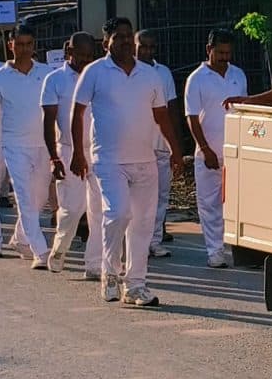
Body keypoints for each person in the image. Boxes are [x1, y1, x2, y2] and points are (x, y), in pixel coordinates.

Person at [72, 24, 181, 307]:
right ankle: (110, 273)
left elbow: (162, 115)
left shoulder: (150, 75)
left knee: (143, 224)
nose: (124, 42)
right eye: (117, 37)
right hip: (108, 161)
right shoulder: (95, 71)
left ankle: (135, 285)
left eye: (127, 37)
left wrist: (175, 149)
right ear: (105, 42)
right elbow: (77, 112)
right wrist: (77, 154)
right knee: (118, 213)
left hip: (145, 160)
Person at [0, 29, 52, 262]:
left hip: (44, 145)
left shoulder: (47, 73)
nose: (24, 49)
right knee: (24, 197)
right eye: (19, 44)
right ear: (11, 46)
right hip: (15, 147)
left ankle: (21, 238)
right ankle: (40, 251)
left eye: (28, 44)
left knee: (39, 198)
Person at [183, 29, 249, 268]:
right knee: (209, 205)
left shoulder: (238, 74)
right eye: (220, 52)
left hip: (236, 152)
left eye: (228, 53)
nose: (224, 57)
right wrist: (205, 149)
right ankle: (215, 252)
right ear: (208, 50)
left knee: (238, 203)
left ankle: (241, 250)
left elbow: (244, 110)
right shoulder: (196, 79)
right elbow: (191, 117)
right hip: (208, 154)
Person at [41, 33, 98, 276]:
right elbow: (48, 121)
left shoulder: (98, 76)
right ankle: (60, 248)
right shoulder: (54, 80)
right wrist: (54, 158)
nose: (85, 60)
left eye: (89, 56)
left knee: (98, 210)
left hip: (98, 150)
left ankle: (95, 263)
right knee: (72, 209)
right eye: (81, 55)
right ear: (69, 52)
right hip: (67, 150)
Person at [133, 29, 178, 257]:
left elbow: (171, 108)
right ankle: (135, 243)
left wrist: (175, 146)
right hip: (134, 145)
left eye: (151, 47)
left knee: (160, 195)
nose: (147, 51)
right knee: (136, 198)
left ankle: (154, 241)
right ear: (134, 46)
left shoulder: (163, 73)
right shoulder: (127, 72)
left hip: (160, 144)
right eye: (143, 47)